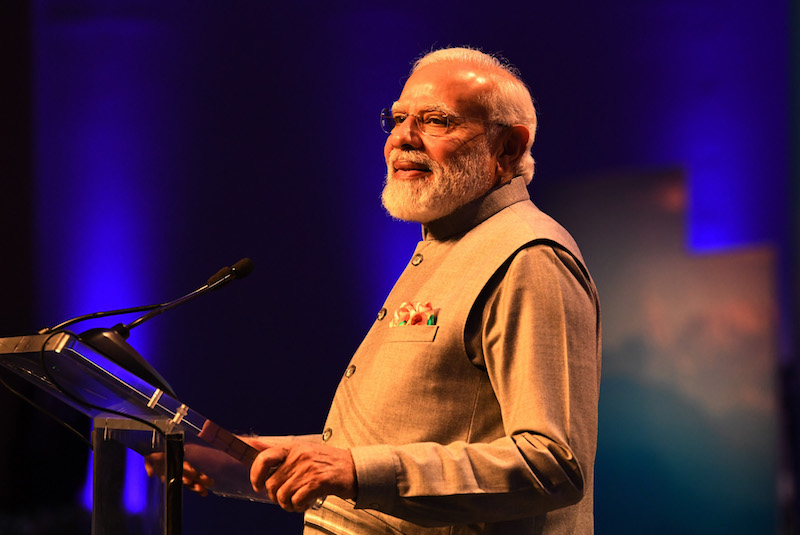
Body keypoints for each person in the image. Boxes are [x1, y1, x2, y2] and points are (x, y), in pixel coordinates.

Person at [165, 46, 602, 534]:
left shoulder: (528, 258)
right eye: (397, 118)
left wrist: (353, 471)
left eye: (435, 120)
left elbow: (553, 466)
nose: (402, 139)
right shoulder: (445, 245)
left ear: (509, 148)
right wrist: (255, 461)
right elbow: (401, 440)